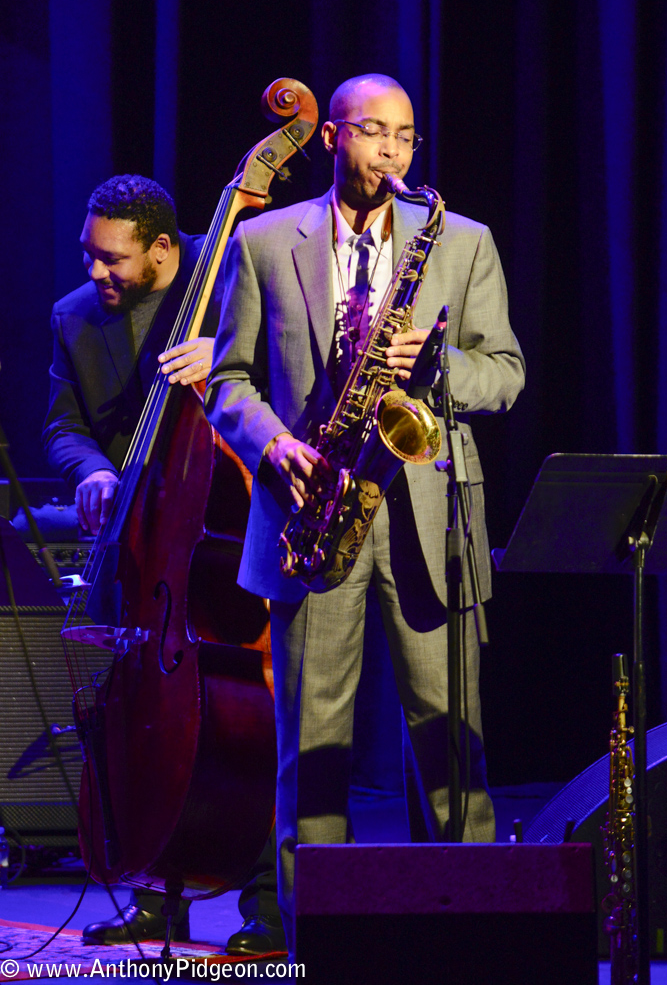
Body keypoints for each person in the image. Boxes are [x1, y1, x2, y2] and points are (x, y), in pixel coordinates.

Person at [204, 74, 526, 951]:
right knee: (310, 753)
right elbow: (225, 381)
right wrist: (273, 446)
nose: (391, 152)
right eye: (374, 133)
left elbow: (505, 373)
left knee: (454, 749)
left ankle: (474, 937)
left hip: (429, 520)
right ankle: (317, 941)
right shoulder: (265, 241)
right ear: (334, 137)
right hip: (313, 510)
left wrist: (439, 365)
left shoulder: (461, 241)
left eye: (405, 137)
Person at [42, 174, 285, 956]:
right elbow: (63, 426)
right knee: (140, 723)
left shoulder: (235, 276)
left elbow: (303, 366)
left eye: (112, 260)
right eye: (89, 255)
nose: (95, 274)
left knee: (255, 726)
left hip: (232, 539)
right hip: (140, 542)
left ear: (161, 250)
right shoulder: (74, 319)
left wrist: (231, 355)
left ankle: (267, 905)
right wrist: (90, 470)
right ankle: (156, 894)